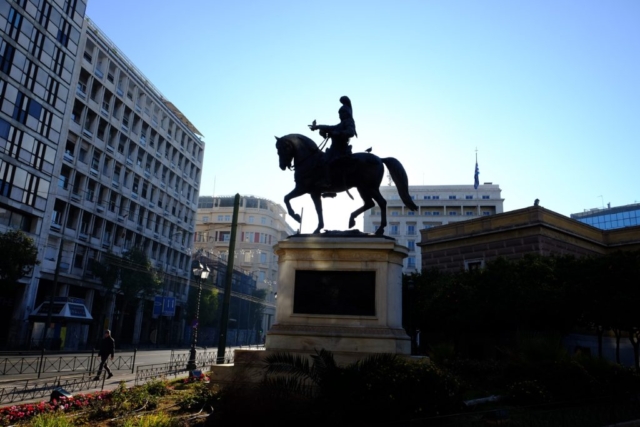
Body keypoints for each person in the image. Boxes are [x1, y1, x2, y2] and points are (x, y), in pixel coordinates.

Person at [308, 96, 358, 187]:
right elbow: (330, 127)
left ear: (346, 113)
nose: (340, 115)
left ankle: (328, 183)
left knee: (325, 161)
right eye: (339, 113)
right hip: (334, 148)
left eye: (342, 112)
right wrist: (318, 127)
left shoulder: (349, 122)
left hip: (340, 148)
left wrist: (336, 133)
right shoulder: (341, 124)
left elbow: (350, 132)